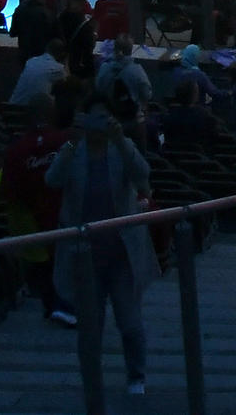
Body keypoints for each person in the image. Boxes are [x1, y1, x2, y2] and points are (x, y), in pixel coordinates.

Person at [55, 103, 154, 397]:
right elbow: (52, 179)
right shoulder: (74, 152)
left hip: (121, 253)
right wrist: (71, 143)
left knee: (130, 323)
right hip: (85, 255)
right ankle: (91, 378)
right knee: (90, 327)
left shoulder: (121, 148)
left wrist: (122, 140)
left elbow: (142, 173)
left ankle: (137, 376)